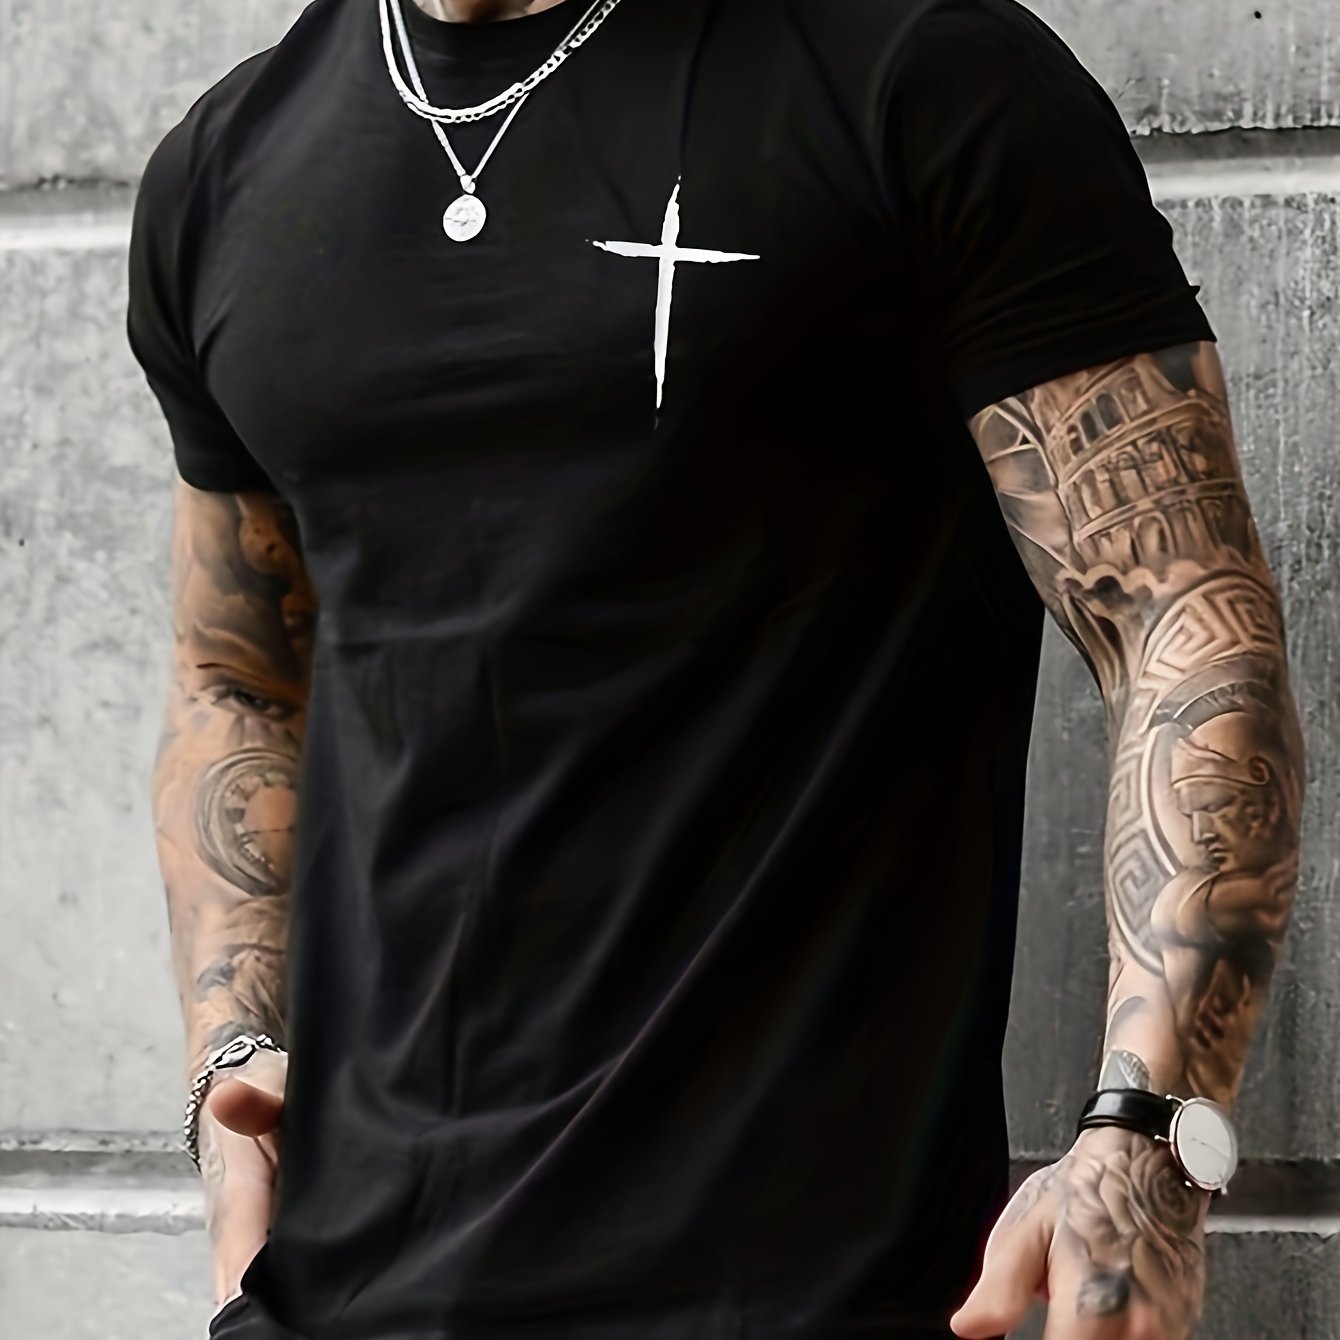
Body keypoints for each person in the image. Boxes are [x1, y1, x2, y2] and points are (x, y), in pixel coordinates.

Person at [127, 1, 1304, 1337]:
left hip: (790, 1288)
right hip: (335, 1291)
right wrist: (232, 1068)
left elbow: (1178, 606)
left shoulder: (919, 76)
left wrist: (1149, 1129)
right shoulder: (225, 168)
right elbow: (236, 676)